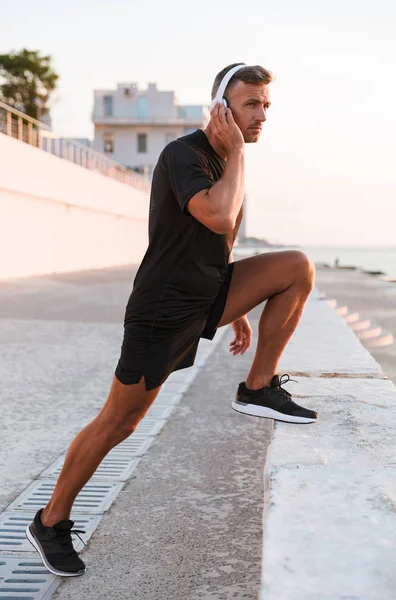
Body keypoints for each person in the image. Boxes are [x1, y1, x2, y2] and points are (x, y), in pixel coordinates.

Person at [25, 62, 318, 577]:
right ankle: (49, 520)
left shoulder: (224, 158)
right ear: (221, 107)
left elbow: (211, 246)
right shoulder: (184, 154)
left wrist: (238, 312)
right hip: (163, 309)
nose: (261, 116)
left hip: (206, 294)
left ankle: (257, 385)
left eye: (266, 106)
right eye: (251, 103)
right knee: (120, 421)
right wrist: (239, 156)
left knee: (296, 267)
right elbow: (220, 218)